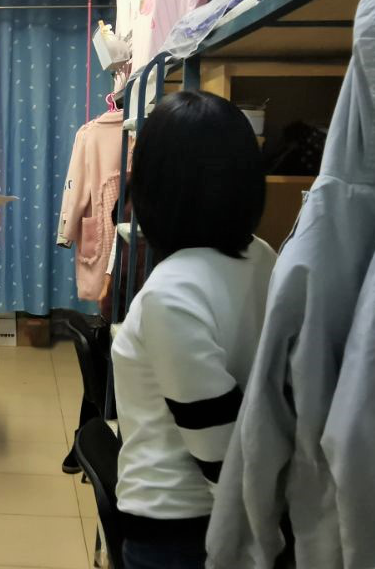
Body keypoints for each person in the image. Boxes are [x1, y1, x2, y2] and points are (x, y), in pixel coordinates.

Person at [110, 91, 276, 569]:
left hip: (181, 529)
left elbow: (220, 456)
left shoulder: (172, 292)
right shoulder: (261, 255)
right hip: (233, 511)